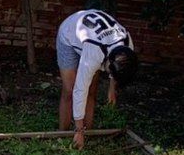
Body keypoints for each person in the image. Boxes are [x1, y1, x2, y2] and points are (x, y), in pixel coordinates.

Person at [54, 9, 140, 147]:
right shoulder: (94, 53)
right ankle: (63, 135)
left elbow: (120, 66)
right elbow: (79, 89)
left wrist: (112, 88)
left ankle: (87, 134)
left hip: (95, 40)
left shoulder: (127, 44)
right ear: (107, 63)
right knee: (70, 90)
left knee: (91, 92)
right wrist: (78, 129)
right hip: (69, 35)